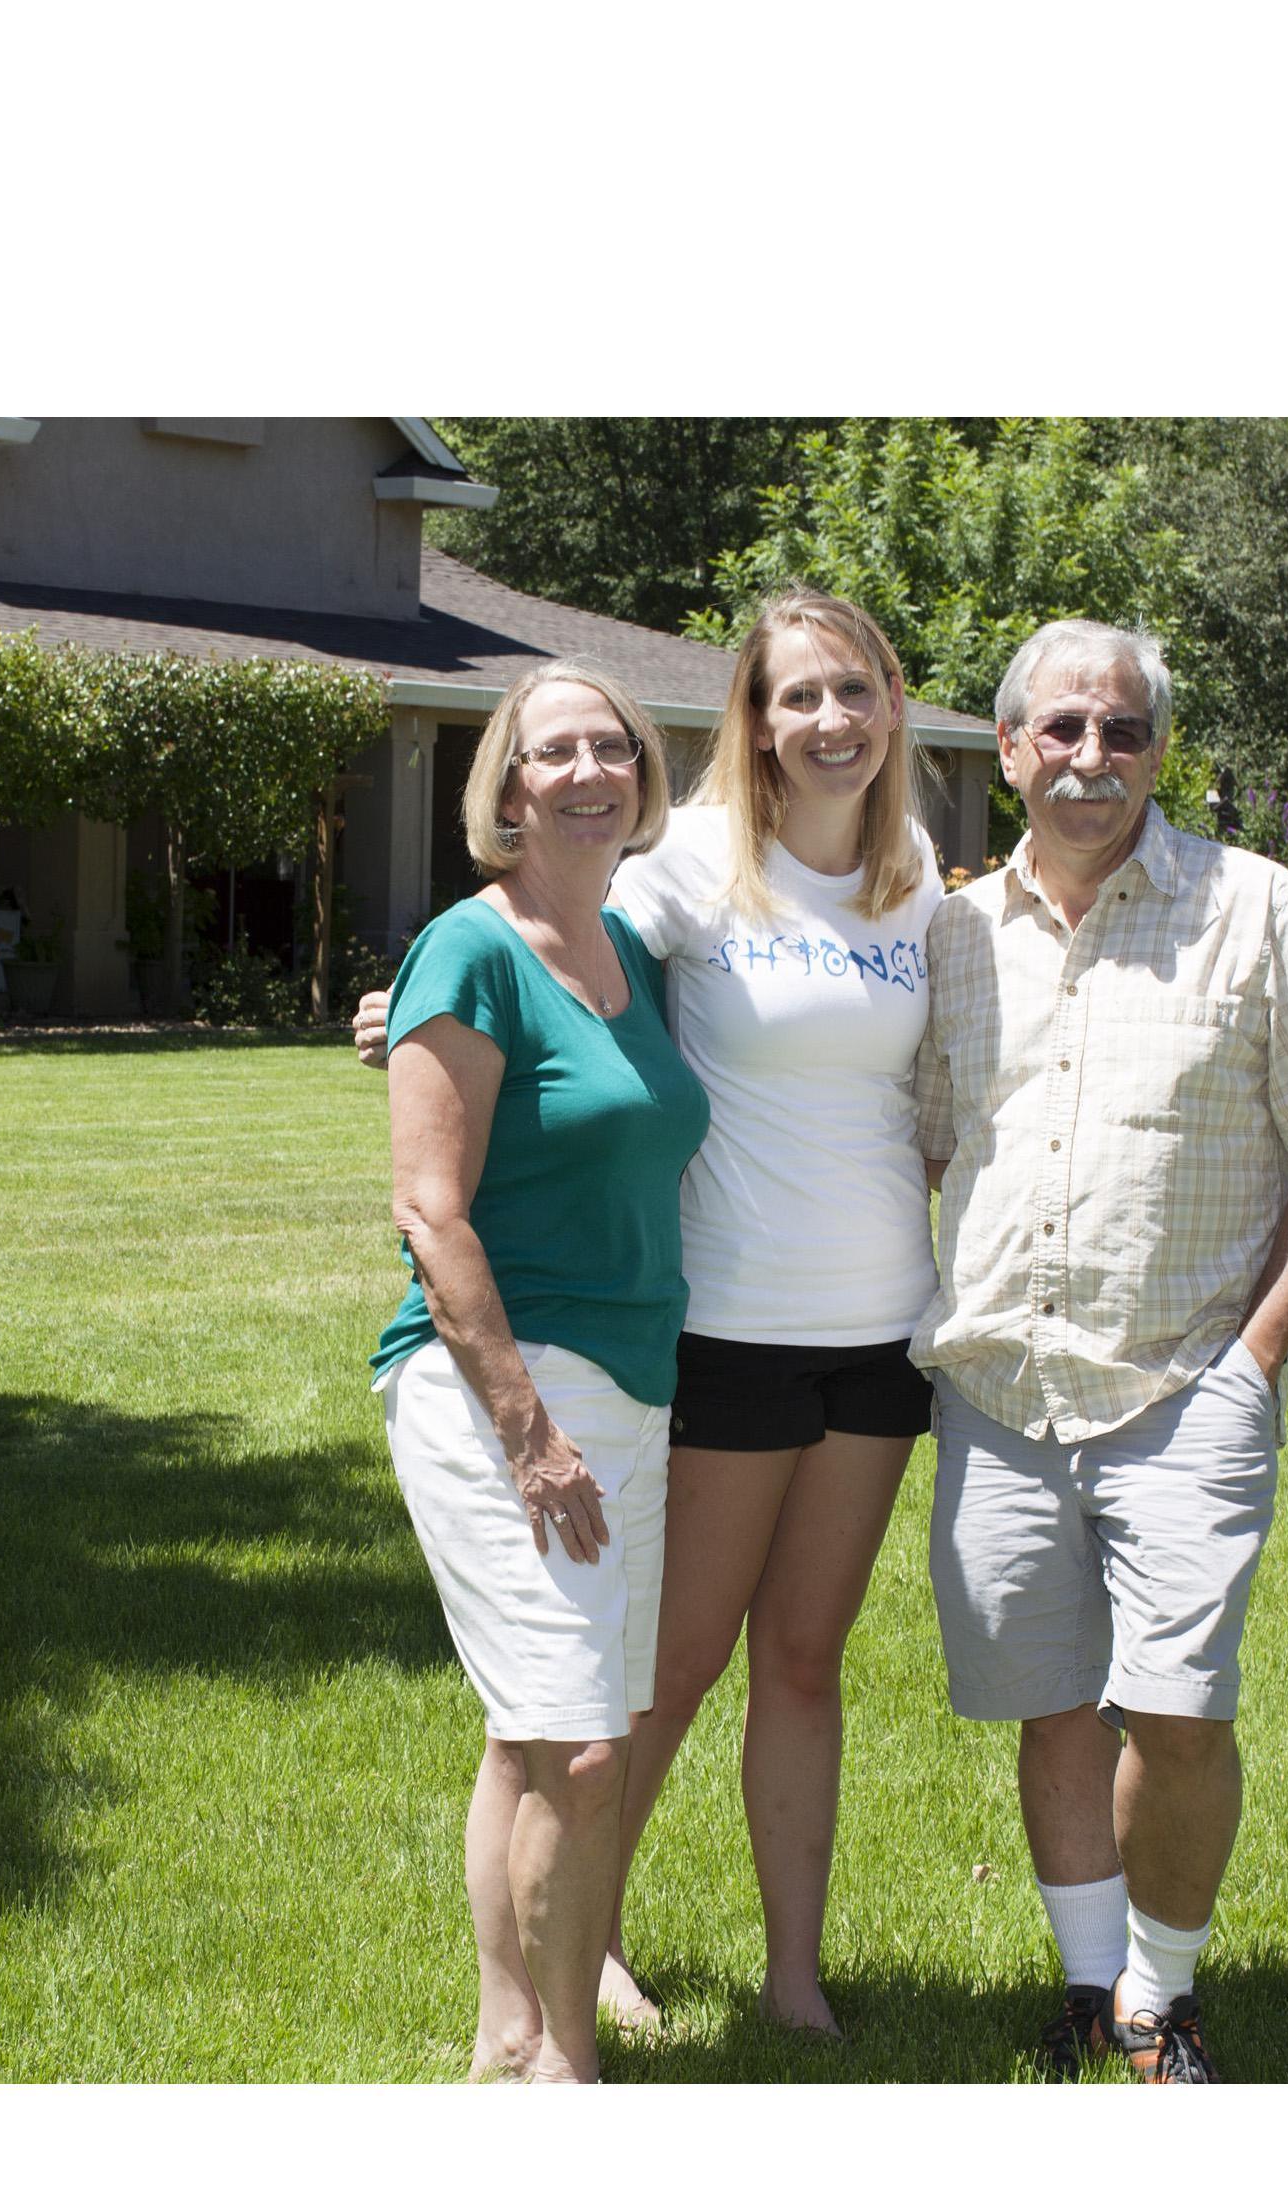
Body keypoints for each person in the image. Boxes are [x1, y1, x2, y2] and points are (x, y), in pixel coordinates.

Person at [364, 587, 944, 2036]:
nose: (830, 720)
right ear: (751, 720)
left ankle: (793, 1978)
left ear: (894, 707)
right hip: (726, 1320)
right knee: (659, 1676)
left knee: (802, 1664)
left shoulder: (919, 877)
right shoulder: (692, 859)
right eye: (797, 695)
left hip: (884, 1330)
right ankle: (584, 1952)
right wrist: (407, 1016)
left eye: (855, 690)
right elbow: (549, 960)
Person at [912, 618, 1288, 2081]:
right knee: (1053, 1704)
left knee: (1179, 1712)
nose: (1093, 756)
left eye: (1122, 730)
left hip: (1188, 1386)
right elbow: (905, 1134)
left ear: (1159, 751)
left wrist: (1258, 1357)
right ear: (1010, 749)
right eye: (1062, 728)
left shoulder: (1255, 908)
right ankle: (1091, 1985)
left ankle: (1164, 1992)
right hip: (999, 1390)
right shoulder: (954, 935)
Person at [374, 657, 708, 2084]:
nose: (587, 773)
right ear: (505, 787)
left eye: (611, 748)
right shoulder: (470, 948)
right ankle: (565, 2068)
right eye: (552, 752)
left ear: (644, 774)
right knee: (577, 1747)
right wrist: (529, 1431)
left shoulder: (631, 952)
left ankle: (507, 2031)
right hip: (505, 1388)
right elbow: (429, 1209)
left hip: (632, 1381)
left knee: (552, 1731)